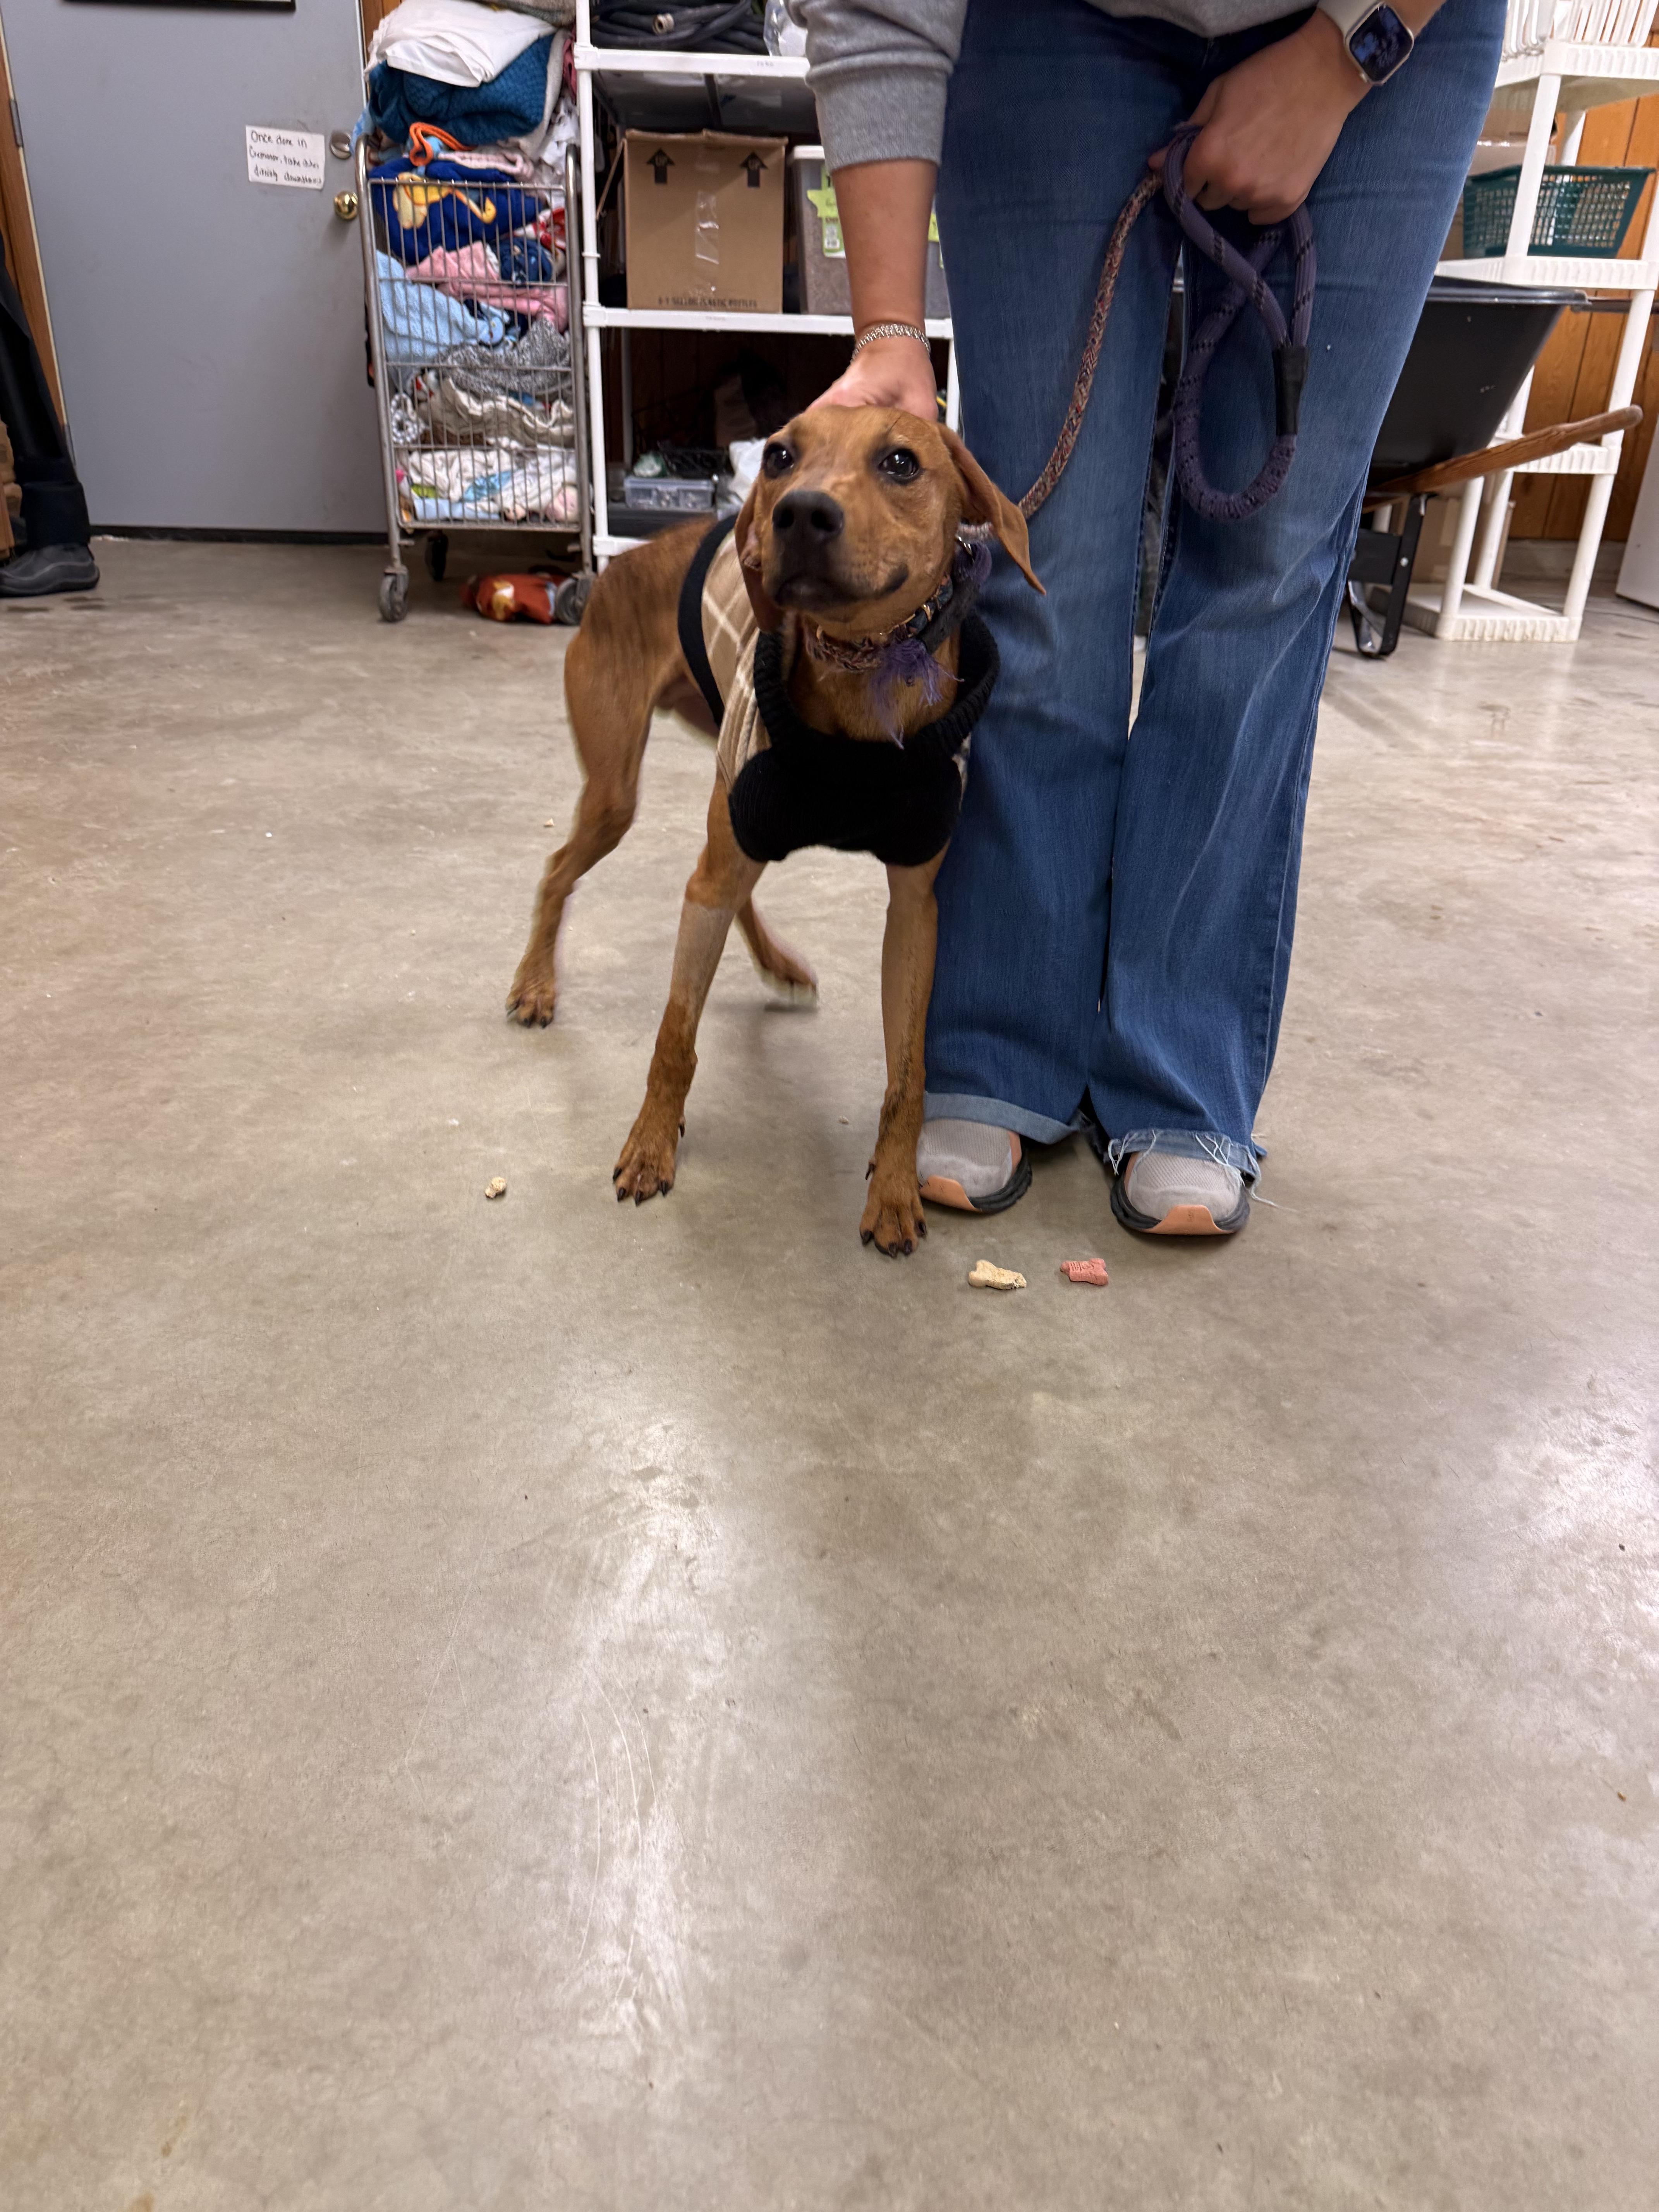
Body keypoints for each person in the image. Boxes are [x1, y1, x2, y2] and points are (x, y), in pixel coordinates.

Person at [797, 0, 1503, 1234]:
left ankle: (1180, 1066)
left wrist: (1351, 50)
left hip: (1388, 35)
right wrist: (890, 334)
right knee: (1041, 543)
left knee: (1268, 558)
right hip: (1053, 29)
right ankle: (1003, 1034)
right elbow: (874, 13)